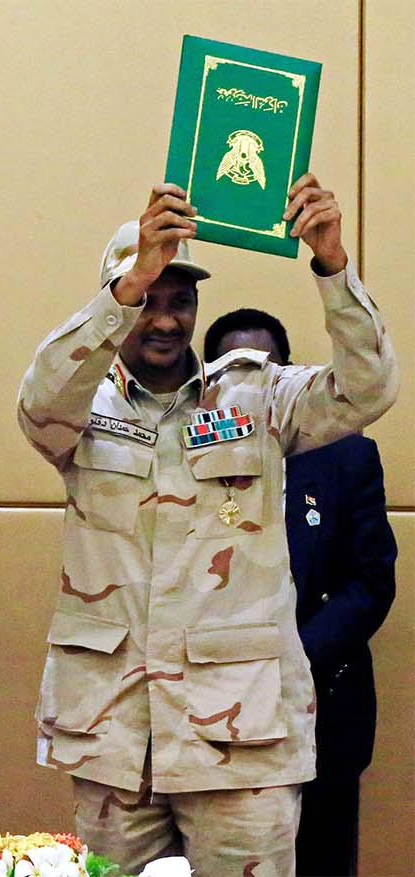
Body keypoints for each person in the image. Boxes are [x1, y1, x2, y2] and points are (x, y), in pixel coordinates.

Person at [16, 175, 398, 875]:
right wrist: (127, 286)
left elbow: (368, 388)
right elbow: (37, 406)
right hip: (115, 736)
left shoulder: (253, 396)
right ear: (119, 298)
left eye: (180, 301)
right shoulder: (80, 409)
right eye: (148, 301)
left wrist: (333, 266)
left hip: (238, 742)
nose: (165, 320)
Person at [204, 309, 397, 877]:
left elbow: (370, 581)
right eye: (231, 371)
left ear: (289, 376)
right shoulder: (194, 452)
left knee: (322, 856)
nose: (250, 387)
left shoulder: (345, 452)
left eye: (265, 371)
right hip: (217, 711)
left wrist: (289, 659)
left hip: (322, 701)